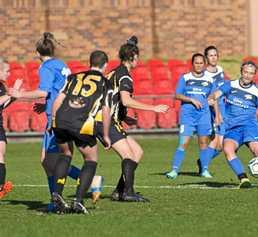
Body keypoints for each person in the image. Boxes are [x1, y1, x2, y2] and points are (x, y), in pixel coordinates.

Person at [8, 32, 103, 209]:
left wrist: (19, 94)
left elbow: (44, 92)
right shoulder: (61, 64)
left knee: (49, 160)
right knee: (51, 160)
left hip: (57, 119)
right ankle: (60, 197)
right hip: (68, 115)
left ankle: (78, 187)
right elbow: (59, 90)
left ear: (37, 52)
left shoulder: (46, 67)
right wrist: (46, 105)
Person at [107, 36, 169, 202]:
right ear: (132, 57)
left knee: (137, 152)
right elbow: (126, 100)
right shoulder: (124, 76)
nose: (138, 60)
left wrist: (124, 116)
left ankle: (120, 191)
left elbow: (112, 99)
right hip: (106, 123)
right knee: (128, 154)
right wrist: (153, 108)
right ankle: (128, 192)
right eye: (137, 57)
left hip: (111, 120)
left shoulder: (115, 72)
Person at [51, 50, 111, 214]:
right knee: (91, 159)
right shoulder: (105, 83)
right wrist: (105, 135)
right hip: (81, 123)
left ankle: (56, 194)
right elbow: (106, 109)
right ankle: (78, 201)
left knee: (65, 154)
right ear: (105, 65)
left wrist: (53, 120)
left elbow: (58, 99)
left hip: (61, 119)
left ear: (89, 62)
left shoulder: (73, 77)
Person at [209, 61, 258, 188]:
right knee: (227, 149)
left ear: (254, 75)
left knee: (257, 150)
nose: (248, 75)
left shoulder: (257, 93)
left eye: (251, 73)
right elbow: (217, 94)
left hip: (249, 127)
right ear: (241, 71)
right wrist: (212, 97)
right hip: (232, 128)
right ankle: (243, 179)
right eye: (246, 72)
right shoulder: (230, 85)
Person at [165, 53, 214, 179]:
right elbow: (177, 95)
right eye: (196, 63)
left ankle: (204, 170)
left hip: (204, 115)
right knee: (183, 143)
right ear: (192, 64)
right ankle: (174, 170)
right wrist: (191, 100)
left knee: (203, 143)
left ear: (204, 64)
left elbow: (213, 97)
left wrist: (215, 109)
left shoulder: (209, 79)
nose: (199, 65)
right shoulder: (185, 78)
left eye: (201, 63)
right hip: (188, 116)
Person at [197, 45, 226, 176]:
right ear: (206, 58)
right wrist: (217, 114)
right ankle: (203, 164)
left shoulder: (220, 70)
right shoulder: (205, 75)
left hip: (223, 108)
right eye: (210, 55)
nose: (213, 57)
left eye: (215, 55)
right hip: (211, 111)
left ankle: (202, 161)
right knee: (218, 143)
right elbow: (209, 97)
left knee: (221, 145)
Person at [0, 58, 22, 199]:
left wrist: (14, 96)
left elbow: (2, 105)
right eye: (6, 71)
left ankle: (0, 187)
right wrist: (10, 93)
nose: (8, 74)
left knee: (1, 156)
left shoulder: (2, 86)